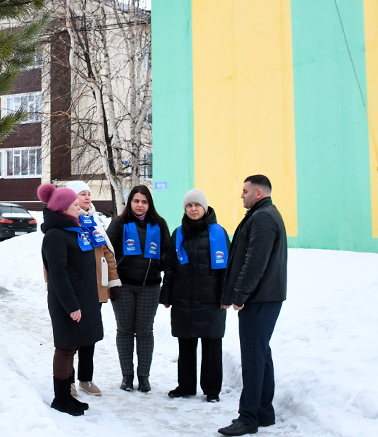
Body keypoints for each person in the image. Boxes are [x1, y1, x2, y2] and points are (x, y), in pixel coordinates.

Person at [218, 175, 288, 436]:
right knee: (261, 354)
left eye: (245, 191)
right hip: (263, 296)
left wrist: (240, 295)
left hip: (260, 298)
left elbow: (254, 262)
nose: (241, 195)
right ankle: (263, 412)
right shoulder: (262, 214)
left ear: (258, 193)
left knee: (253, 358)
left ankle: (248, 418)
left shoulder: (263, 218)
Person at [39, 183, 103, 416]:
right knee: (65, 349)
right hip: (66, 302)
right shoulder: (55, 235)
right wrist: (72, 306)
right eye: (75, 204)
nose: (79, 207)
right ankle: (61, 398)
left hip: (79, 299)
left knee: (72, 347)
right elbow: (58, 274)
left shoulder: (72, 230)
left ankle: (66, 396)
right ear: (64, 208)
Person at [160, 189, 229, 403]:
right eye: (189, 206)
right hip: (183, 298)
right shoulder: (178, 233)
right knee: (186, 345)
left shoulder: (219, 233)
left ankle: (212, 390)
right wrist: (166, 295)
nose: (193, 209)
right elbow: (170, 267)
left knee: (211, 346)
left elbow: (226, 268)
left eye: (197, 205)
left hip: (211, 298)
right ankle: (186, 386)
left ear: (205, 207)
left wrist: (226, 295)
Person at [106, 185, 171, 393]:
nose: (140, 205)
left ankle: (144, 377)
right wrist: (112, 281)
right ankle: (127, 376)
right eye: (136, 201)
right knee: (124, 331)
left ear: (149, 203)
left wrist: (159, 265)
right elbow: (107, 253)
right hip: (123, 286)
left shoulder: (159, 224)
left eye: (144, 201)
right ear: (130, 203)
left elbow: (167, 253)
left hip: (149, 287)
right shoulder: (119, 223)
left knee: (144, 332)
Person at [66, 180, 121, 398]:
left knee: (90, 336)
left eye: (89, 194)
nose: (88, 198)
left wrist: (114, 282)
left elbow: (108, 253)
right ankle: (67, 380)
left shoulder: (93, 222)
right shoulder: (67, 223)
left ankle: (85, 379)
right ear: (71, 198)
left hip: (96, 289)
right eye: (82, 194)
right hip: (75, 291)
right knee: (71, 338)